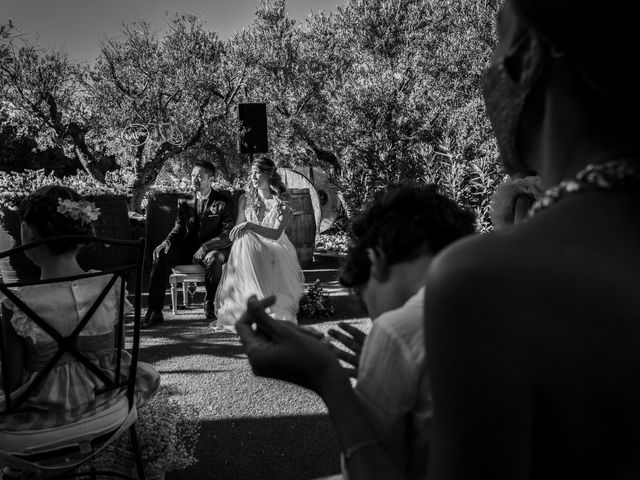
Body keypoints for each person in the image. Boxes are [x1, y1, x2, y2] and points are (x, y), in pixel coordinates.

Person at [236, 0, 640, 479]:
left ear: (528, 56)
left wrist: (327, 377)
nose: (488, 76)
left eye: (495, 45)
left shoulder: (482, 281)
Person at [0, 186, 160, 476]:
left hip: (42, 423)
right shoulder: (109, 285)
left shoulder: (17, 301)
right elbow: (115, 358)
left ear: (27, 232)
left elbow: (12, 385)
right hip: (108, 407)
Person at [328, 184, 475, 480]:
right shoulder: (504, 297)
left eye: (362, 297)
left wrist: (326, 379)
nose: (373, 318)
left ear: (376, 260)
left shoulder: (399, 328)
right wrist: (383, 371)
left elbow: (367, 473)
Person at [213, 156, 304, 332]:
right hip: (249, 250)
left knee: (249, 237)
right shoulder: (244, 199)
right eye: (251, 173)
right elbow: (239, 229)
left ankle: (265, 305)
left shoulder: (281, 203)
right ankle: (250, 303)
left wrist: (251, 225)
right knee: (245, 239)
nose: (253, 177)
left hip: (275, 248)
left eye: (258, 173)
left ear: (269, 175)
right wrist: (243, 230)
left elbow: (276, 234)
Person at [144, 160, 234, 327]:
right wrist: (166, 242)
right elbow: (178, 228)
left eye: (199, 176)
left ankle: (209, 302)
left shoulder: (224, 202)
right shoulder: (184, 200)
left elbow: (227, 234)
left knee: (214, 258)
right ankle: (155, 310)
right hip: (187, 250)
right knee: (160, 254)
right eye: (192, 176)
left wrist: (206, 247)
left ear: (211, 179)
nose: (194, 180)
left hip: (213, 249)